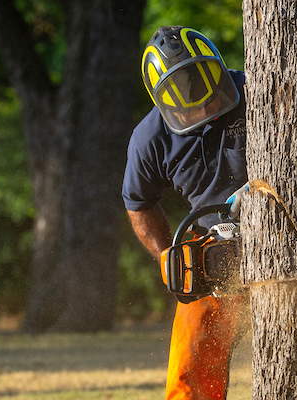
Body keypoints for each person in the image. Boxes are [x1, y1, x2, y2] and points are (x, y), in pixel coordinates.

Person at [122, 26, 247, 400]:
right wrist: (165, 256)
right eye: (196, 105)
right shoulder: (149, 139)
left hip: (282, 228)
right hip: (211, 247)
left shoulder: (260, 91)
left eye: (213, 97)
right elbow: (138, 203)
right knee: (190, 371)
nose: (209, 108)